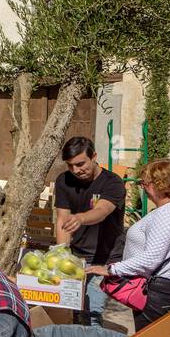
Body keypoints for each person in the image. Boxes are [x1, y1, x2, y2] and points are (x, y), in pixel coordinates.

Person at [86, 158, 170, 331]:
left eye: (145, 183)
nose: (143, 188)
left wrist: (111, 269)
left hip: (158, 292)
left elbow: (151, 258)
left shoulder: (166, 216)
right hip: (163, 289)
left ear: (159, 184)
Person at [54, 137, 126, 327]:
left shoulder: (113, 182)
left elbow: (102, 211)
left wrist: (80, 218)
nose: (76, 170)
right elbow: (62, 219)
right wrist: (61, 253)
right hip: (77, 256)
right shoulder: (64, 181)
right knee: (74, 310)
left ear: (94, 157)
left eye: (80, 164)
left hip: (104, 257)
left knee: (93, 311)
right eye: (70, 166)